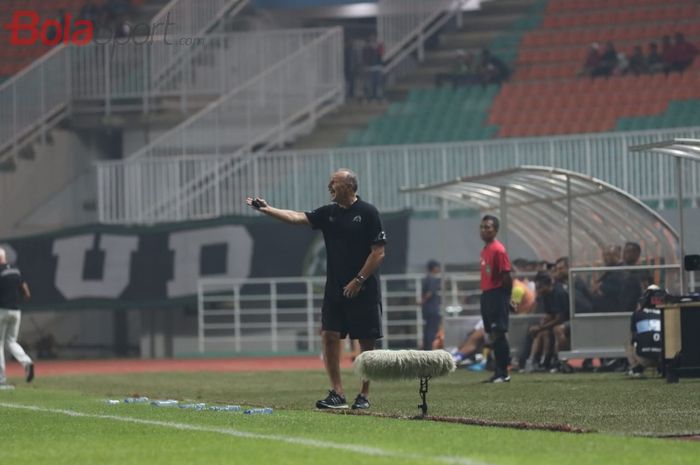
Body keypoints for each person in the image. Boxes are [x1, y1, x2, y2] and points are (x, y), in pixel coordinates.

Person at [245, 169, 386, 410]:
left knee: (366, 343)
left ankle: (364, 395)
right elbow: (297, 217)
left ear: (350, 186)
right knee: (329, 336)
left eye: (335, 182)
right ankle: (338, 393)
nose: (329, 185)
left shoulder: (368, 212)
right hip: (334, 288)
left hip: (363, 288)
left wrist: (358, 280)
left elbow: (379, 252)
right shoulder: (328, 213)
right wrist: (267, 209)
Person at [478, 214, 513, 383]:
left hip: (497, 294)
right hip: (487, 295)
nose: (484, 230)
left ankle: (504, 372)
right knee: (492, 334)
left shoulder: (499, 250)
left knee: (499, 333)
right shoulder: (485, 250)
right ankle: (497, 370)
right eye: (482, 227)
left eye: (488, 227)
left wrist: (507, 298)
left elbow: (506, 275)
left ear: (496, 230)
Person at [0, 248, 35, 388]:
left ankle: (1, 378)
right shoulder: (15, 269)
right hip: (16, 311)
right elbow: (26, 291)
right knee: (11, 341)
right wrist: (20, 296)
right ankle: (27, 362)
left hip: (2, 310)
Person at [420, 260, 442, 351]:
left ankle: (426, 348)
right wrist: (423, 301)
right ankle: (430, 349)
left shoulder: (426, 278)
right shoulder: (433, 279)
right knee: (432, 331)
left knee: (427, 330)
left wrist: (422, 302)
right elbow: (430, 293)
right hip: (433, 309)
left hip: (427, 309)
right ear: (434, 268)